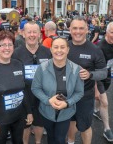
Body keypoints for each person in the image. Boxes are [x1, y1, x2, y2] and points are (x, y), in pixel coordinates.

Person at [31, 36, 84, 144]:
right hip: (46, 112)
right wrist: (48, 100)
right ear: (51, 49)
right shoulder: (42, 67)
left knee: (60, 139)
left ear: (68, 50)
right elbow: (35, 88)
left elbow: (79, 92)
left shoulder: (76, 69)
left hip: (66, 112)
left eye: (62, 47)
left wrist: (67, 103)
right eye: (56, 47)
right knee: (50, 138)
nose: (59, 50)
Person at [67, 16, 107, 144]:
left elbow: (103, 73)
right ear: (69, 29)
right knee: (70, 121)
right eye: (75, 28)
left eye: (81, 28)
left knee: (84, 126)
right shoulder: (63, 47)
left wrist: (90, 75)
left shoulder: (95, 50)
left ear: (87, 30)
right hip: (66, 94)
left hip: (85, 95)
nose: (77, 31)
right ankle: (71, 142)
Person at [12, 21, 52, 144]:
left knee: (39, 122)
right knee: (25, 124)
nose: (32, 35)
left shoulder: (47, 52)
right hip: (24, 95)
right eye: (29, 32)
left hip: (42, 94)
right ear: (23, 34)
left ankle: (38, 142)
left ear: (39, 34)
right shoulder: (16, 53)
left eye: (35, 32)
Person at [94, 22, 113, 142]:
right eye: (112, 32)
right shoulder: (100, 47)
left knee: (100, 99)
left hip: (107, 75)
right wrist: (96, 88)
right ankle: (107, 129)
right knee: (104, 102)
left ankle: (95, 110)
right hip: (98, 76)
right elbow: (95, 69)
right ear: (106, 32)